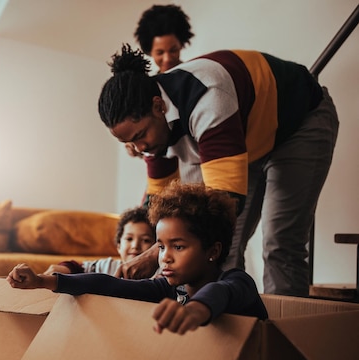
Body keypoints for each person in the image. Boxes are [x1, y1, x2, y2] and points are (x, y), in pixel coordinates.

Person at [100, 44, 339, 297]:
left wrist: (157, 252)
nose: (140, 149)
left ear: (159, 106)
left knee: (280, 243)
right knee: (217, 250)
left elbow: (223, 204)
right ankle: (219, 325)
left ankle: (283, 332)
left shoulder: (208, 97)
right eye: (129, 143)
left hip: (300, 123)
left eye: (140, 136)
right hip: (245, 138)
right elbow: (161, 210)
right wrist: (149, 253)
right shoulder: (153, 136)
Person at [7, 181, 268, 335]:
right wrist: (43, 281)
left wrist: (196, 311)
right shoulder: (168, 288)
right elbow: (107, 284)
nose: (164, 258)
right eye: (161, 247)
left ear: (213, 251)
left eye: (177, 247)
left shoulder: (237, 281)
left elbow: (219, 293)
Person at [126, 5, 201, 193]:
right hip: (160, 175)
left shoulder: (195, 82)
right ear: (150, 52)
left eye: (173, 50)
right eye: (160, 53)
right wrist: (137, 146)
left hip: (196, 172)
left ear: (182, 45)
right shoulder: (146, 89)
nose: (167, 58)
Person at [44, 206, 154, 276]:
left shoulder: (159, 274)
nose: (135, 245)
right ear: (119, 246)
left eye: (146, 240)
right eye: (129, 239)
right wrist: (65, 269)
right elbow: (78, 267)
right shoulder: (108, 266)